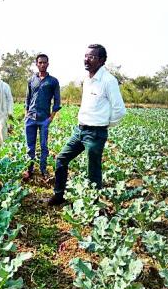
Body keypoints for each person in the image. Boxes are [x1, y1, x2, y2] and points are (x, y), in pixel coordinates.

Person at [48, 44, 126, 206]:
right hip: (80, 130)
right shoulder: (87, 79)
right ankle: (58, 195)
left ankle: (93, 207)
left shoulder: (108, 81)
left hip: (96, 133)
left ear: (102, 60)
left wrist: (104, 125)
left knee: (93, 171)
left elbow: (119, 110)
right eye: (85, 56)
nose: (86, 59)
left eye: (91, 57)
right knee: (61, 158)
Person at [24, 53, 61, 179]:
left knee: (44, 146)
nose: (42, 64)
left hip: (44, 118)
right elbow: (27, 99)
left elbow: (57, 101)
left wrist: (51, 117)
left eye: (44, 62)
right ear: (36, 64)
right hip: (31, 118)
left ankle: (43, 169)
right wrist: (26, 114)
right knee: (30, 146)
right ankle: (29, 169)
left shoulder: (53, 81)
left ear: (48, 64)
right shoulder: (31, 80)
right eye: (40, 62)